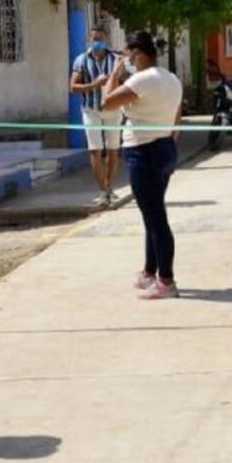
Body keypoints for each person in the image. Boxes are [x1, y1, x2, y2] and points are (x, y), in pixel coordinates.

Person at [101, 31, 184, 300]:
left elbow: (106, 103)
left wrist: (113, 74)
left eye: (127, 55)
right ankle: (150, 271)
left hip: (143, 152)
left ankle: (167, 281)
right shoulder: (170, 78)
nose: (126, 60)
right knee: (152, 215)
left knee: (156, 219)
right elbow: (177, 114)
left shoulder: (141, 79)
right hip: (164, 148)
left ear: (138, 53)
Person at [70, 28, 122, 205]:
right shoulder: (82, 60)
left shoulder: (116, 60)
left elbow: (127, 81)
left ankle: (109, 186)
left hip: (113, 109)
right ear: (89, 39)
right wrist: (94, 84)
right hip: (91, 109)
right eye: (94, 38)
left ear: (106, 39)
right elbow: (73, 87)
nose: (97, 41)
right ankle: (102, 190)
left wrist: (115, 80)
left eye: (100, 38)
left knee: (113, 149)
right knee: (95, 150)